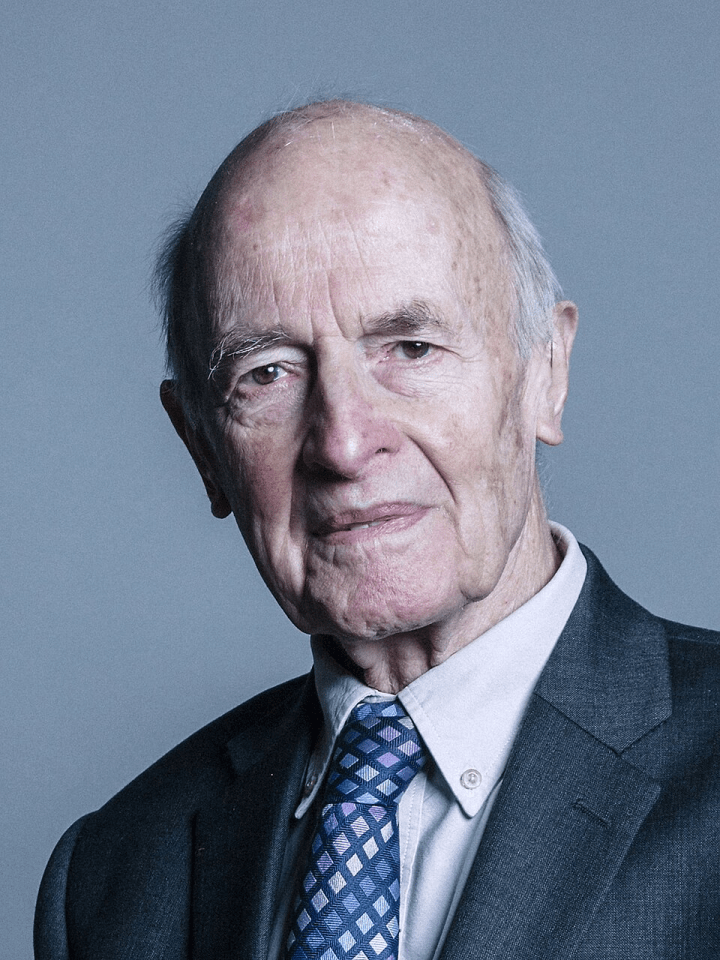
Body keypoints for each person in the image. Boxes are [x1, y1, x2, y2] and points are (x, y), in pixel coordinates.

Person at [35, 100, 720, 960]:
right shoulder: (112, 879)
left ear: (545, 372)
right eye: (268, 372)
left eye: (411, 348)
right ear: (202, 447)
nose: (346, 442)